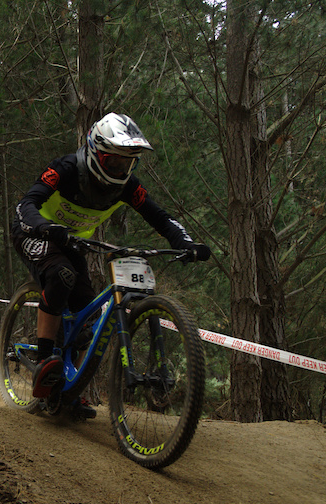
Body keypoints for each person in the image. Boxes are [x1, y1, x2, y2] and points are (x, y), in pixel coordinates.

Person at [11, 113, 211, 416]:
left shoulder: (127, 187)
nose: (120, 169)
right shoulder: (66, 169)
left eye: (127, 164)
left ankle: (67, 393)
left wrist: (185, 242)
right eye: (113, 161)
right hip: (34, 231)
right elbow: (26, 204)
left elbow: (159, 216)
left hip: (72, 242)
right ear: (94, 151)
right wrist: (43, 226)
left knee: (86, 318)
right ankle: (43, 362)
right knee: (61, 276)